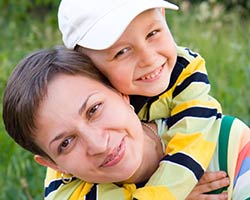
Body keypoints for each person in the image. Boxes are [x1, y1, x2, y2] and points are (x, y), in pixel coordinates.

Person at [54, 0, 250, 199]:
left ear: (162, 15)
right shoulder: (73, 134)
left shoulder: (186, 74)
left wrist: (167, 191)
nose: (148, 58)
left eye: (152, 33)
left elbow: (192, 140)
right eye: (121, 52)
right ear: (85, 66)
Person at [3, 47, 249, 200]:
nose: (98, 144)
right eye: (66, 143)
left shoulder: (225, 142)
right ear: (53, 164)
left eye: (94, 110)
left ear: (121, 93)